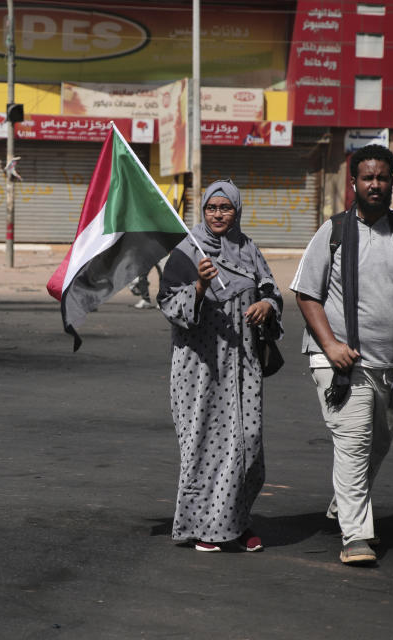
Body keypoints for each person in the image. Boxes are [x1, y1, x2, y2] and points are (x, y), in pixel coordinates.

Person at [290, 145, 393, 566]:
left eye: (383, 178)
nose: (375, 185)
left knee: (378, 446)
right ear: (353, 182)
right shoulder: (333, 232)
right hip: (341, 364)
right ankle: (355, 536)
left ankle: (344, 501)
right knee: (354, 445)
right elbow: (306, 293)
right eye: (367, 178)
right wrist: (332, 345)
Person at [157, 179, 283, 554]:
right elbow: (168, 304)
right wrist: (198, 286)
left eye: (225, 208)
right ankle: (201, 527)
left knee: (247, 444)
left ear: (237, 210)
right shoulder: (185, 251)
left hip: (242, 366)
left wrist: (267, 307)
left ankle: (235, 522)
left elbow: (270, 289)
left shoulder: (248, 249)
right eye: (211, 208)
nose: (217, 215)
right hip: (200, 368)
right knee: (203, 447)